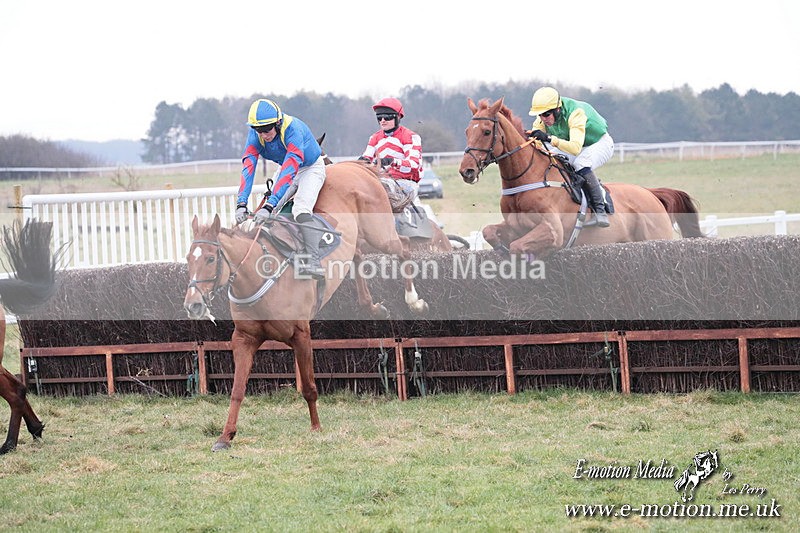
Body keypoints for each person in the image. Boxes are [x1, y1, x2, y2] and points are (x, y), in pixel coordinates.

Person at [235, 98, 326, 278]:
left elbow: (291, 168)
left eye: (267, 129)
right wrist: (241, 203)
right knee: (268, 213)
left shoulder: (293, 130)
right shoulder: (256, 135)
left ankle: (314, 261)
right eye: (258, 130)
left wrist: (269, 206)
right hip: (287, 167)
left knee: (300, 208)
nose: (263, 135)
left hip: (310, 167)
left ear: (277, 123)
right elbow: (248, 167)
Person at [527, 87, 613, 227]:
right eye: (540, 115)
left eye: (546, 114)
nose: (543, 119)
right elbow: (538, 143)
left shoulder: (575, 113)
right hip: (575, 145)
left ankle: (600, 211)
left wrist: (549, 138)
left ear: (557, 109)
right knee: (552, 157)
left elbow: (575, 148)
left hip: (599, 143)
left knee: (581, 163)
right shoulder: (542, 119)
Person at [358, 97, 423, 202]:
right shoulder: (374, 138)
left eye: (387, 117)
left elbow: (414, 165)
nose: (382, 121)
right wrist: (360, 162)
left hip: (406, 184)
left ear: (398, 117)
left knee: (385, 189)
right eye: (379, 117)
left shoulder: (410, 137)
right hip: (382, 183)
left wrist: (392, 161)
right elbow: (366, 158)